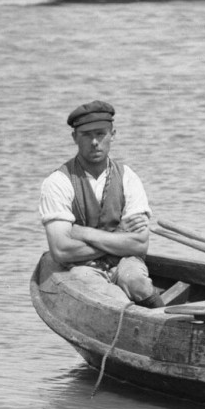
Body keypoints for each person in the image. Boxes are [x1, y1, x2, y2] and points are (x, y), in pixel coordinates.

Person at [39, 100, 158, 306]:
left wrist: (83, 233)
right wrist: (119, 237)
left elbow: (139, 244)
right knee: (114, 299)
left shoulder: (128, 177)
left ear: (113, 134)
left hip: (125, 262)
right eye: (86, 135)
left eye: (100, 134)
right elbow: (61, 250)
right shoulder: (58, 182)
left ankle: (162, 312)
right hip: (81, 267)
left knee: (138, 283)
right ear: (74, 137)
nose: (94, 142)